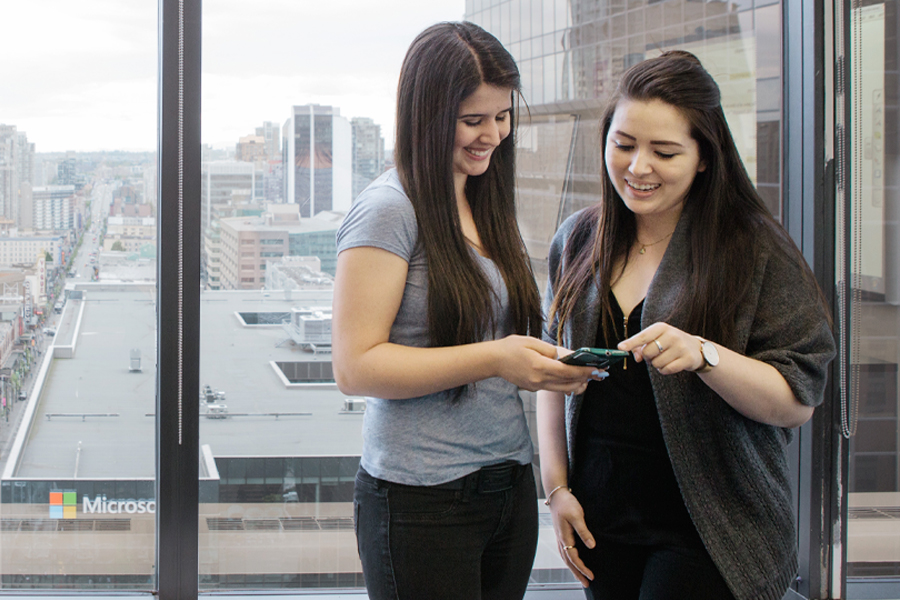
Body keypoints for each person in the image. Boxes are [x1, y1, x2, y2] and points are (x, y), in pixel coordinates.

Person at [536, 51, 836, 600]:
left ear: (703, 157)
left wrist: (705, 355)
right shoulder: (579, 239)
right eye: (623, 145)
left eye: (664, 151)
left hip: (713, 527)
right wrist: (556, 489)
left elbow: (798, 399)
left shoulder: (752, 248)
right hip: (602, 516)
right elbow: (555, 376)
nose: (637, 167)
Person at [332, 21, 598, 600]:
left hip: (505, 483)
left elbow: (495, 333)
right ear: (425, 116)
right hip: (421, 498)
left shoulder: (481, 196)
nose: (493, 135)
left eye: (502, 117)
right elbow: (355, 367)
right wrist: (495, 360)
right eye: (473, 121)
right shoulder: (387, 211)